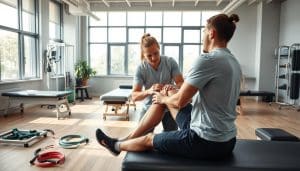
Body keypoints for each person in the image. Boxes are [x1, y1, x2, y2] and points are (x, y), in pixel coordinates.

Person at [96, 13, 242, 159]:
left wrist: (162, 98)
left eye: (203, 31)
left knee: (149, 138)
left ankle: (117, 145)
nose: (202, 35)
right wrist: (167, 94)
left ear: (211, 33)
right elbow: (186, 95)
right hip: (227, 140)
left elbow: (181, 101)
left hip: (206, 140)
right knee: (165, 97)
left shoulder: (208, 60)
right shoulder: (234, 61)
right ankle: (126, 139)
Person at [130, 33, 184, 133]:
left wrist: (172, 86)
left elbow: (181, 84)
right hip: (149, 107)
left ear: (159, 49)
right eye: (149, 56)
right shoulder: (141, 68)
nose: (153, 58)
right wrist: (149, 91)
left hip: (168, 106)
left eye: (156, 53)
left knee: (170, 138)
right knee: (139, 137)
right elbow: (134, 96)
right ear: (143, 55)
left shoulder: (170, 62)